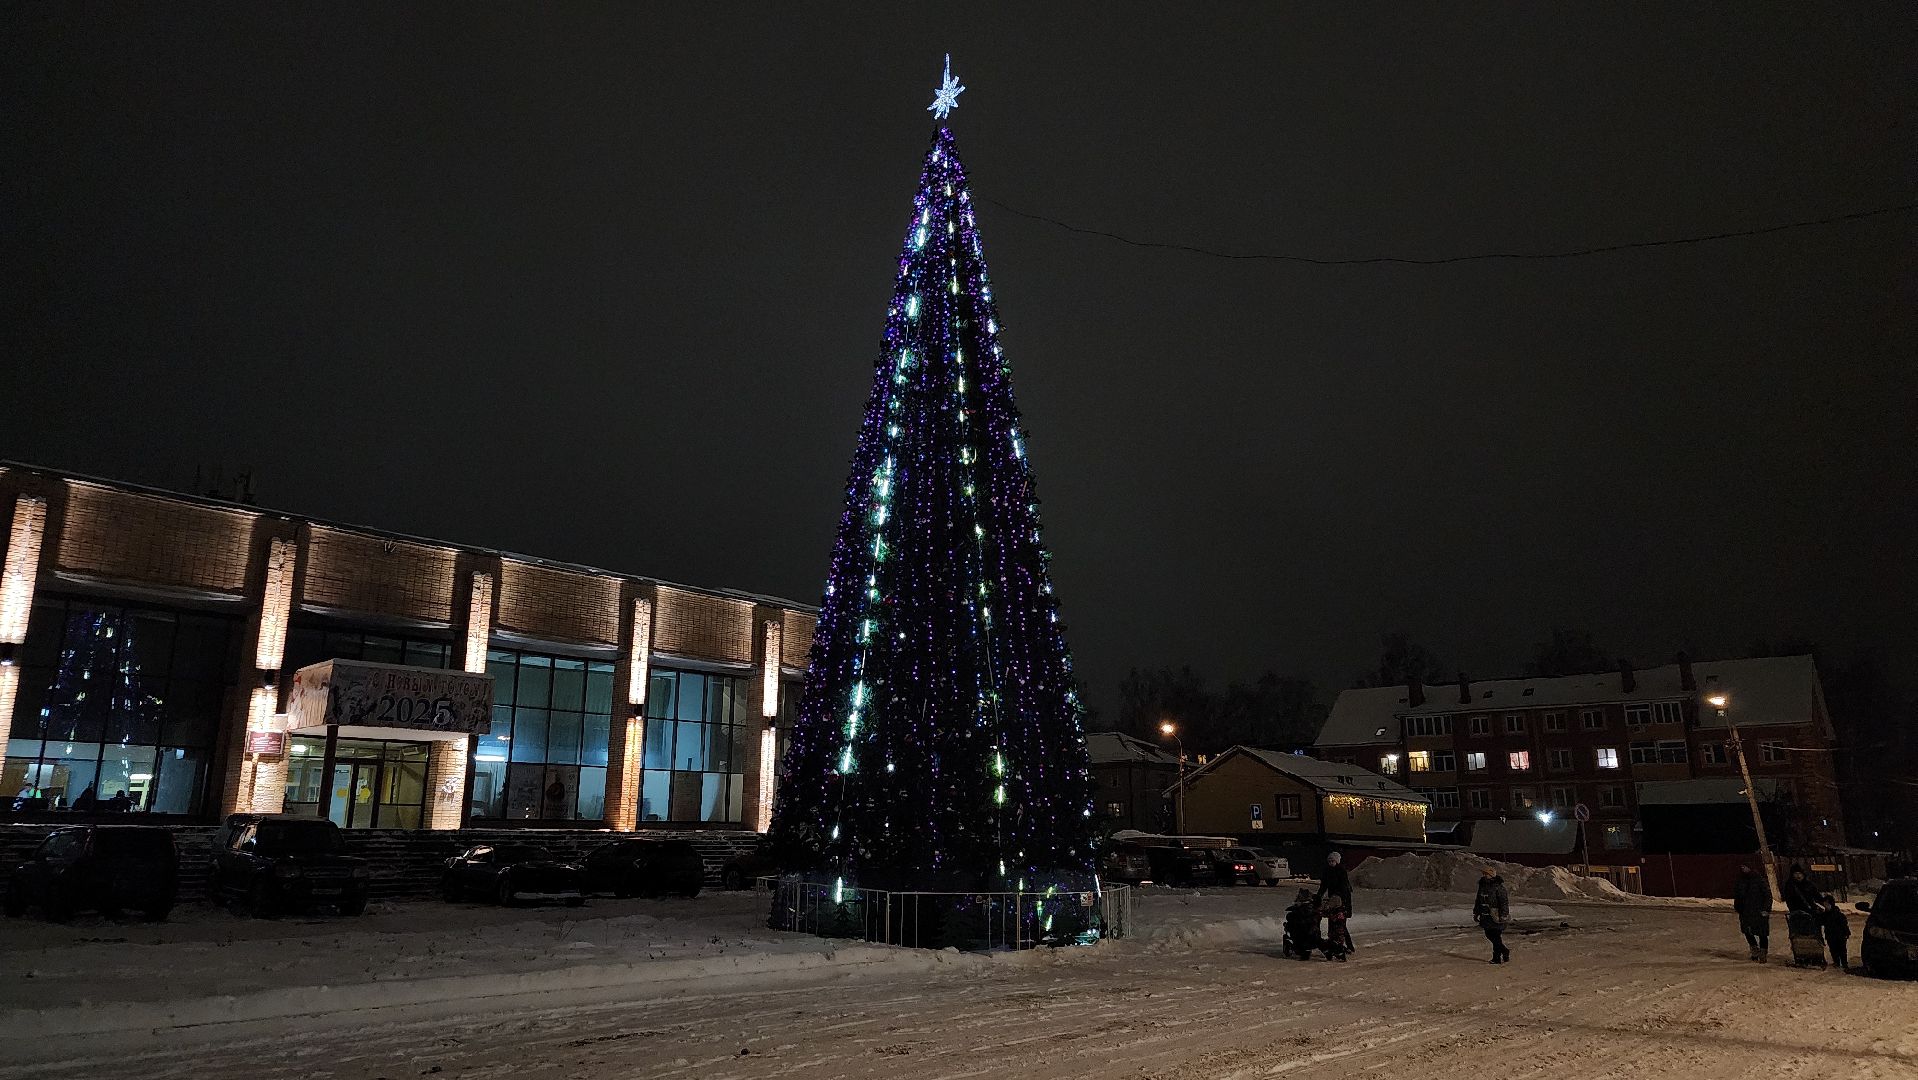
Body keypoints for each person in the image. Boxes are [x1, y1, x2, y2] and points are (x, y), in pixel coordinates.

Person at [1732, 863, 1772, 962]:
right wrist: (1738, 907)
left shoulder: (1759, 879)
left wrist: (1766, 909)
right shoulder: (1740, 880)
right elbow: (1737, 895)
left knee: (1762, 932)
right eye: (1742, 867)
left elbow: (1767, 895)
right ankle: (1754, 950)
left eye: (1745, 866)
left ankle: (1763, 953)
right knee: (1747, 931)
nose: (1743, 868)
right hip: (1745, 911)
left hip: (1759, 910)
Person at [1473, 866, 1511, 964]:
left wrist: (1503, 915)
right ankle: (1504, 951)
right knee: (1489, 935)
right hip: (1485, 916)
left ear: (1491, 875)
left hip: (1496, 916)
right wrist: (1476, 912)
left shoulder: (1499, 887)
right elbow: (1478, 900)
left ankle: (1497, 958)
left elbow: (1504, 902)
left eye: (1486, 874)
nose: (1484, 875)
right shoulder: (1482, 886)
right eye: (1484, 874)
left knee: (1496, 936)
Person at [1314, 851, 1353, 917]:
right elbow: (1324, 885)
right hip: (1332, 894)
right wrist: (1319, 895)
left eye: (1332, 861)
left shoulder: (1341, 870)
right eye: (1329, 861)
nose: (1331, 863)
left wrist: (1340, 895)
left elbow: (1344, 885)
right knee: (1332, 913)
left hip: (1342, 895)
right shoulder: (1327, 871)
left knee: (1340, 914)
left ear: (1337, 861)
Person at [1818, 895, 1851, 972]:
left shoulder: (1838, 914)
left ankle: (1844, 963)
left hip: (1840, 936)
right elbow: (1820, 921)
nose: (1825, 906)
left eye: (1826, 904)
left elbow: (1844, 924)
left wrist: (1846, 933)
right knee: (1833, 950)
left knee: (1842, 950)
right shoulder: (1825, 914)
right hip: (1830, 935)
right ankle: (1837, 962)